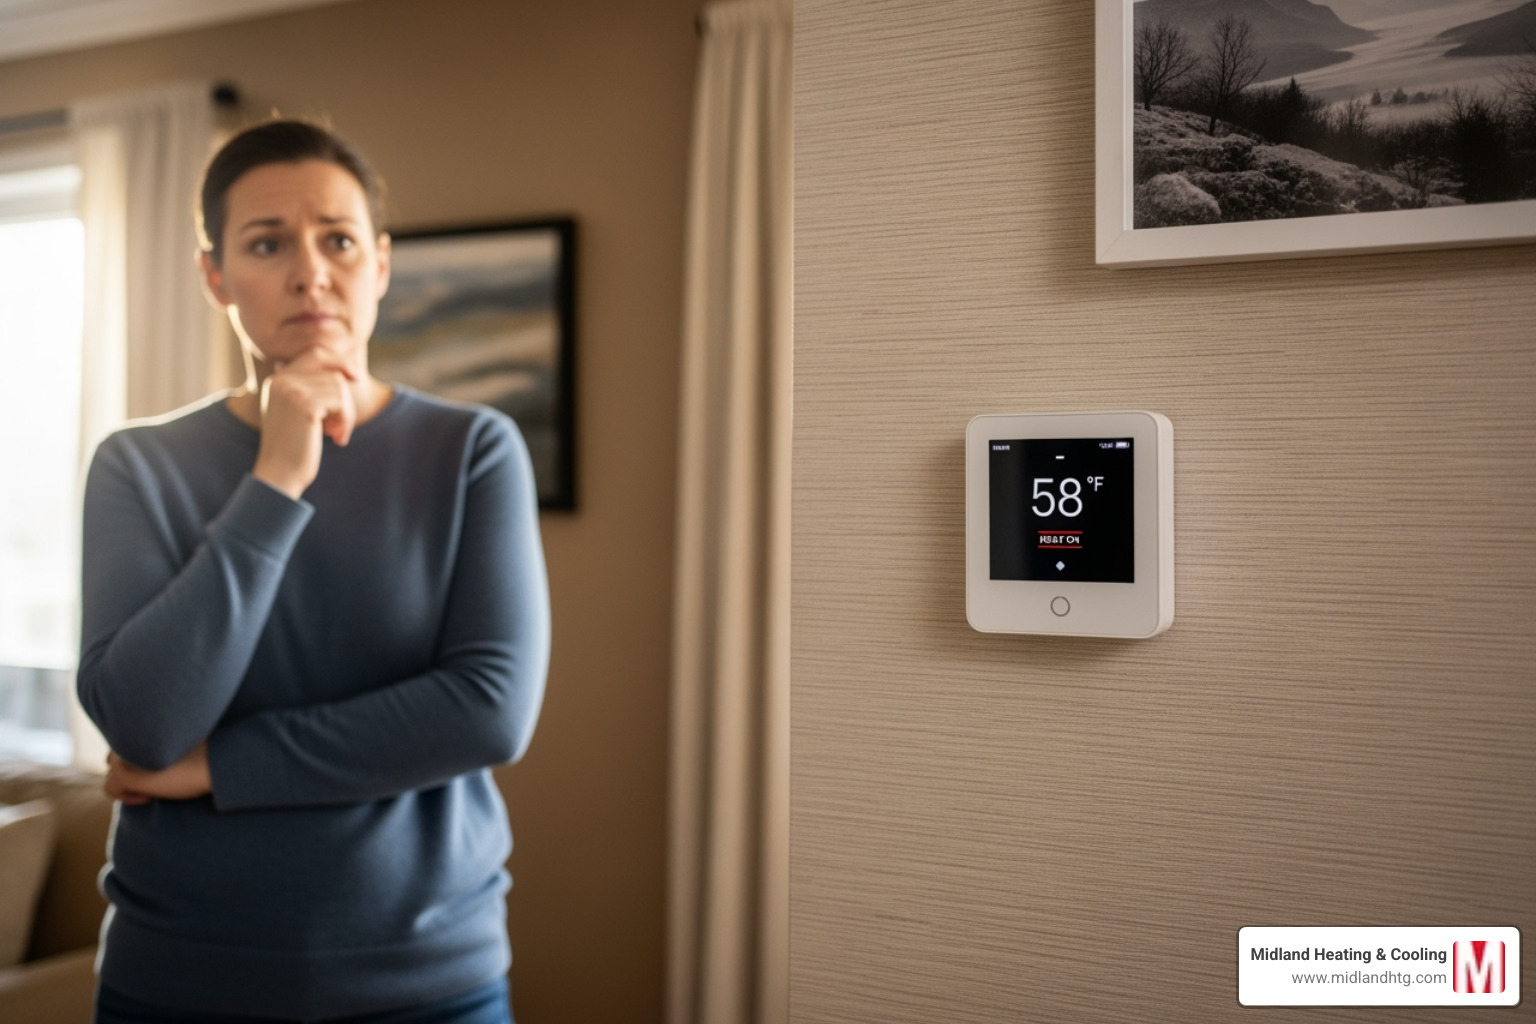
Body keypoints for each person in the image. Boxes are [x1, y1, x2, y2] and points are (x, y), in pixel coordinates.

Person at [77, 119, 549, 1024]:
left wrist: (219, 767)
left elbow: (489, 708)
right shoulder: (138, 467)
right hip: (177, 981)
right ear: (216, 275)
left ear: (378, 262)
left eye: (337, 239)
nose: (310, 272)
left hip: (430, 981)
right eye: (266, 243)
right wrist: (277, 480)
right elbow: (144, 721)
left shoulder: (471, 450)